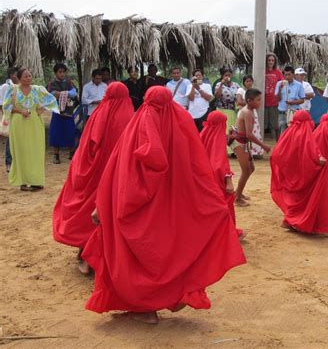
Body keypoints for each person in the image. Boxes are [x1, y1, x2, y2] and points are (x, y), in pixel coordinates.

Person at [81, 86, 246, 324]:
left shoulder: (139, 126)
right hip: (168, 208)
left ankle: (144, 308)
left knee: (138, 257)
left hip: (136, 207)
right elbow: (197, 171)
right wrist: (211, 204)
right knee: (165, 253)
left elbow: (121, 171)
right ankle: (171, 296)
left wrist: (103, 204)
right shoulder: (181, 124)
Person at [53, 82, 134, 274]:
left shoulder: (99, 113)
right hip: (117, 176)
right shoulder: (130, 114)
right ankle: (104, 258)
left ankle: (87, 255)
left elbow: (88, 146)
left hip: (96, 175)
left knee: (90, 215)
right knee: (111, 214)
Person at [2, 68, 58, 191]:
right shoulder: (13, 89)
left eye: (30, 76)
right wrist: (20, 111)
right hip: (18, 123)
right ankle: (22, 182)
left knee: (35, 151)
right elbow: (6, 106)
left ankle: (36, 181)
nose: (28, 78)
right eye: (25, 76)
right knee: (20, 152)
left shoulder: (38, 90)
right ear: (19, 77)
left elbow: (51, 101)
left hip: (35, 124)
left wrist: (39, 110)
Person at [200, 111, 245, 238]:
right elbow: (220, 163)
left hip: (203, 180)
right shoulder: (217, 137)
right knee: (225, 205)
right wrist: (229, 182)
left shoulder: (202, 135)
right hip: (216, 181)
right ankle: (226, 232)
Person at [229, 88, 271, 207]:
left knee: (251, 168)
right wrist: (263, 146)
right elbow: (249, 134)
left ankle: (238, 193)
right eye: (258, 100)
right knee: (246, 170)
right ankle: (237, 198)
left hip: (243, 142)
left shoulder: (249, 111)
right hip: (239, 142)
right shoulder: (247, 112)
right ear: (249, 100)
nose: (260, 102)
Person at [47, 63, 79, 164]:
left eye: (63, 72)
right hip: (57, 112)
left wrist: (61, 94)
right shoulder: (51, 84)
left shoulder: (69, 82)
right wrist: (63, 93)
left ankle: (72, 153)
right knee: (56, 133)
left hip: (69, 111)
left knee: (70, 131)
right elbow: (50, 95)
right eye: (60, 72)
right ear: (55, 73)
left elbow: (74, 93)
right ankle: (56, 155)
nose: (62, 74)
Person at [236, 75, 264, 157]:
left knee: (254, 131)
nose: (248, 83)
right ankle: (242, 151)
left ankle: (254, 152)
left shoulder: (254, 91)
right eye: (247, 81)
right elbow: (239, 102)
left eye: (250, 81)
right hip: (243, 112)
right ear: (243, 82)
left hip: (253, 113)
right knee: (243, 132)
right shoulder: (240, 90)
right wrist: (251, 103)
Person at [274, 66, 305, 138]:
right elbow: (278, 99)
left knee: (294, 133)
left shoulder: (299, 85)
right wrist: (279, 89)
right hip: (282, 113)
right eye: (285, 75)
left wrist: (293, 102)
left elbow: (302, 100)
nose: (287, 77)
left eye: (289, 74)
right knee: (283, 133)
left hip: (294, 112)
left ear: (293, 75)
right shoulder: (279, 84)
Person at [0, 67, 19, 173]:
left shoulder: (19, 87)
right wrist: (5, 116)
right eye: (17, 74)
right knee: (10, 139)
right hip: (9, 115)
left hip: (18, 115)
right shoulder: (5, 87)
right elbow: (2, 103)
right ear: (12, 75)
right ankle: (8, 163)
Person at [215, 68, 240, 138]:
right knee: (223, 130)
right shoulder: (219, 84)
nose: (228, 77)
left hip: (232, 110)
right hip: (222, 110)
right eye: (226, 75)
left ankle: (230, 147)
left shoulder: (236, 85)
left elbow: (240, 95)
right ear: (222, 76)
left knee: (231, 129)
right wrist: (221, 84)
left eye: (229, 75)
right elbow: (217, 96)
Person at [264, 53, 284, 139]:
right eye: (269, 60)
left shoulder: (278, 72)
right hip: (262, 101)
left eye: (272, 60)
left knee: (274, 124)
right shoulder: (261, 70)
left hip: (274, 101)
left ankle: (275, 142)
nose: (271, 62)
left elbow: (283, 84)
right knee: (263, 123)